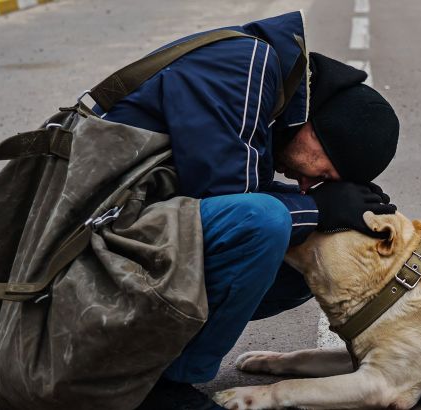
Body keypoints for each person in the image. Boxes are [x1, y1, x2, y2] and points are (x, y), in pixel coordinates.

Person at [96, 11, 400, 410]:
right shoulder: (245, 67)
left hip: (127, 225)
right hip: (88, 235)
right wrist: (316, 208)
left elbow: (223, 194)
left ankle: (149, 360)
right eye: (322, 170)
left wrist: (322, 214)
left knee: (303, 253)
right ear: (316, 129)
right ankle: (164, 387)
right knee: (268, 223)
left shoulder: (266, 83)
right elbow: (227, 200)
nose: (307, 183)